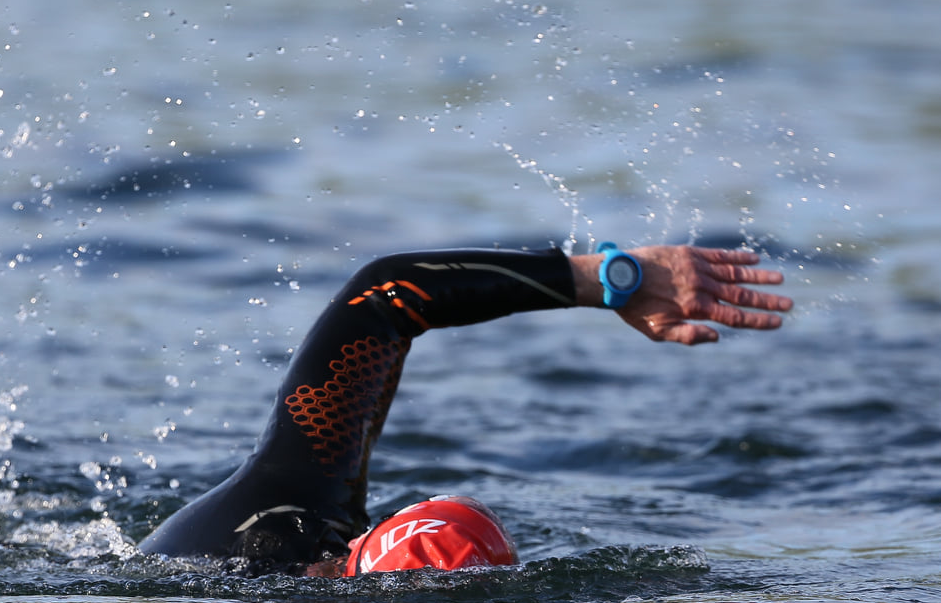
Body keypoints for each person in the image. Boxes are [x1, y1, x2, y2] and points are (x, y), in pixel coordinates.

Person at [138, 242, 790, 576]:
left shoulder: (304, 492)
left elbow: (384, 295)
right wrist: (603, 276)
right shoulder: (296, 501)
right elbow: (383, 292)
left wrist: (606, 278)